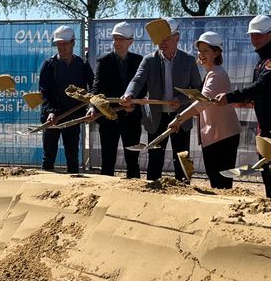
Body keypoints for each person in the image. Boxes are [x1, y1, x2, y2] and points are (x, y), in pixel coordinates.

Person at [214, 15, 271, 200]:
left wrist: (230, 97)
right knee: (267, 170)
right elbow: (262, 91)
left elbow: (261, 86)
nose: (254, 39)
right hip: (266, 125)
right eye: (252, 35)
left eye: (259, 35)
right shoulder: (263, 58)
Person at [122, 19, 202, 182]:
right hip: (156, 119)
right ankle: (153, 191)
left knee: (181, 157)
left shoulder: (188, 60)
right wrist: (129, 94)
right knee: (155, 158)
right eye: (160, 39)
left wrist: (180, 99)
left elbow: (197, 90)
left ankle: (184, 189)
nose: (162, 43)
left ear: (177, 38)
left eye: (166, 39)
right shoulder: (149, 60)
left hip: (181, 117)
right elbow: (137, 80)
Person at [173, 32, 241, 189]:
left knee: (220, 183)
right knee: (217, 181)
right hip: (217, 136)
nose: (201, 55)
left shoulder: (216, 74)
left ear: (216, 52)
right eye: (200, 51)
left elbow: (202, 102)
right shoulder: (212, 73)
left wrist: (179, 119)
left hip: (222, 138)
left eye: (206, 51)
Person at [37, 25, 93, 173]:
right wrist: (50, 111)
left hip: (73, 117)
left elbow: (93, 88)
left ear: (73, 42)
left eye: (65, 44)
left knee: (72, 157)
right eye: (58, 44)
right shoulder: (49, 65)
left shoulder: (82, 64)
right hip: (52, 118)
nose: (61, 47)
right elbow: (44, 92)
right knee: (48, 156)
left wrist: (91, 106)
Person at [93, 22, 144, 178]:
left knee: (132, 160)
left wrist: (133, 105)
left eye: (121, 39)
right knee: (107, 161)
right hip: (109, 118)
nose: (118, 43)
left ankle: (134, 193)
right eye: (115, 39)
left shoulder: (139, 61)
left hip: (131, 117)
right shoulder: (104, 62)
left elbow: (143, 87)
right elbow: (96, 89)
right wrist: (93, 106)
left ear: (130, 41)